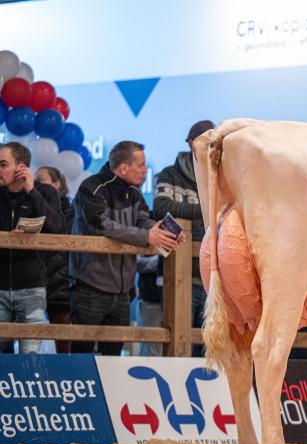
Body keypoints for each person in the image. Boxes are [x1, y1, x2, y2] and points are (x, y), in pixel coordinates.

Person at [70, 141, 182, 355]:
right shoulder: (91, 188)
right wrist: (147, 236)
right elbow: (101, 225)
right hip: (90, 286)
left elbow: (143, 220)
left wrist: (166, 232)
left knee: (113, 357)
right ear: (123, 168)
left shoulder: (135, 193)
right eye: (141, 165)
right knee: (81, 356)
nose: (145, 170)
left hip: (123, 291)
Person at [152, 120, 215, 356]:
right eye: (206, 143)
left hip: (213, 278)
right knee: (177, 344)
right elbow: (160, 206)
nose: (211, 148)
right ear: (191, 144)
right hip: (178, 276)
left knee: (210, 347)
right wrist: (206, 210)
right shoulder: (170, 174)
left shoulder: (220, 177)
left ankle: (209, 391)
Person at [0, 142, 64, 353]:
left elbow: (57, 229)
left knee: (30, 356)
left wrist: (31, 189)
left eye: (3, 165)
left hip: (32, 286)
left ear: (22, 167)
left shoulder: (45, 192)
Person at [36, 166, 75, 353]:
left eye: (41, 180)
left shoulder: (71, 210)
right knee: (27, 338)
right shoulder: (29, 205)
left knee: (64, 341)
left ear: (57, 184)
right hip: (32, 281)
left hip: (61, 283)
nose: (36, 185)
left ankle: (67, 379)